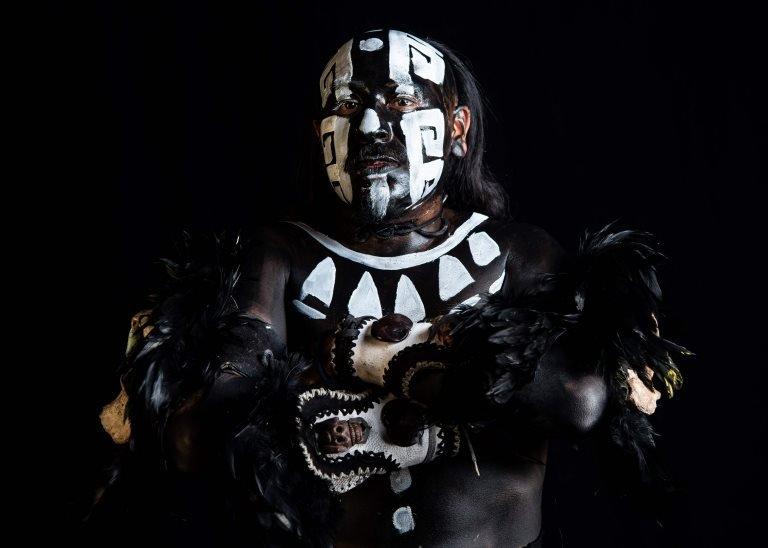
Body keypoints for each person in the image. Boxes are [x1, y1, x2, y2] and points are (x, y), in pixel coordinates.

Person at [95, 29, 687, 547]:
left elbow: (574, 400)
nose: (373, 125)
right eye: (348, 105)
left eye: (402, 99)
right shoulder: (278, 253)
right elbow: (202, 431)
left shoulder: (517, 253)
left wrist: (381, 357)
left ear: (456, 127)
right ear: (320, 133)